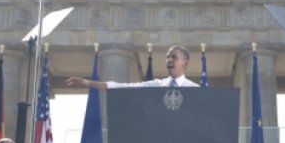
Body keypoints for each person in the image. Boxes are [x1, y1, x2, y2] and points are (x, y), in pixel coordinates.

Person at [67, 45, 198, 89]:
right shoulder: (157, 85)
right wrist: (88, 82)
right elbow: (121, 87)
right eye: (168, 57)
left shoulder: (196, 90)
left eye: (174, 57)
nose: (169, 60)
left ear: (185, 63)